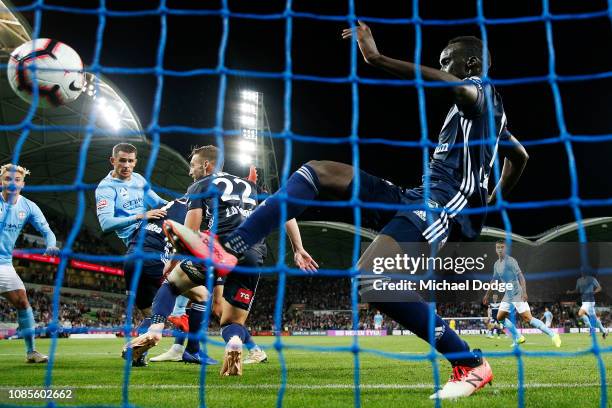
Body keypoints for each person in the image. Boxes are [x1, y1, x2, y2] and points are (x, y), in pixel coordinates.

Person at [163, 27, 531, 399]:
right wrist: (491, 200)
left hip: (441, 205)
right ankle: (235, 244)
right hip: (417, 196)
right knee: (319, 171)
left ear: (469, 63)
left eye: (446, 62)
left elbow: (461, 90)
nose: (443, 68)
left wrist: (377, 58)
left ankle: (468, 362)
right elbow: (519, 156)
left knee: (369, 279)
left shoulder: (480, 90)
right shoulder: (487, 120)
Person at [124, 145, 317, 374]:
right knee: (231, 321)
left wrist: (173, 262)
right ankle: (235, 342)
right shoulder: (254, 187)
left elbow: (191, 232)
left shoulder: (200, 185)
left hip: (220, 250)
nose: (190, 171)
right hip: (253, 255)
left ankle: (155, 328)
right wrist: (298, 248)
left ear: (206, 165)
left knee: (172, 284)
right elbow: (285, 212)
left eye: (193, 166)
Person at [0, 164, 59, 363]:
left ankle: (31, 352)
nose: (12, 183)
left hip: (4, 264)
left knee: (23, 302)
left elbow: (47, 231)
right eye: (7, 179)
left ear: (22, 184)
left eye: (16, 180)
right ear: (1, 182)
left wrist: (51, 244)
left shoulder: (29, 206)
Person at [483, 241, 561, 348]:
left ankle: (553, 335)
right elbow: (493, 280)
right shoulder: (496, 264)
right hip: (508, 295)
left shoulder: (511, 261)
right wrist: (487, 295)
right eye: (498, 247)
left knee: (528, 319)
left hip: (517, 293)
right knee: (500, 317)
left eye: (502, 247)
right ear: (496, 249)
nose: (500, 249)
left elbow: (521, 277)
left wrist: (524, 292)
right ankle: (518, 337)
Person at [567, 272, 607, 339]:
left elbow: (599, 288)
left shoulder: (592, 279)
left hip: (590, 301)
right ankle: (604, 331)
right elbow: (577, 290)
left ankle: (592, 330)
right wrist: (570, 292)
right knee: (595, 319)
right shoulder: (579, 280)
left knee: (580, 313)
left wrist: (593, 292)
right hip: (584, 301)